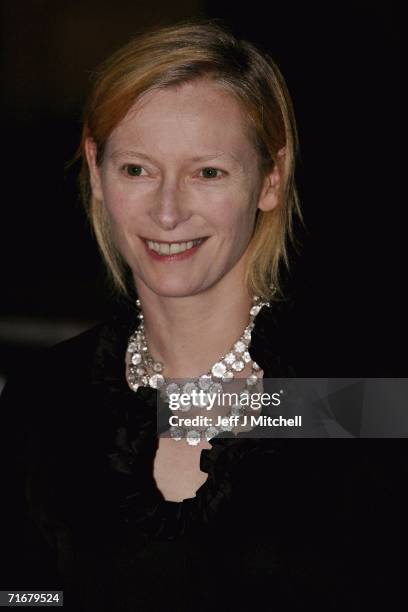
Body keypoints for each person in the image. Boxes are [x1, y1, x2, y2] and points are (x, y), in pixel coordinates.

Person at [0, 20, 406, 612]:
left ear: (270, 178)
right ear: (95, 168)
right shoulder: (46, 398)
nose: (167, 212)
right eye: (136, 169)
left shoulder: (357, 396)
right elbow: (23, 594)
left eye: (208, 172)